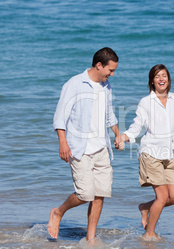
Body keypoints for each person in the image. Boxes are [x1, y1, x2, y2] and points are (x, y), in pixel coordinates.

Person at [47, 47, 123, 243]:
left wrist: (117, 134)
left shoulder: (106, 86)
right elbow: (60, 117)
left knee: (100, 195)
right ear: (99, 65)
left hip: (102, 149)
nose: (112, 74)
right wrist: (62, 143)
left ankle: (90, 239)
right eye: (110, 70)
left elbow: (109, 115)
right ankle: (58, 211)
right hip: (79, 149)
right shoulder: (74, 84)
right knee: (84, 194)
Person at [120, 64, 174, 241]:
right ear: (152, 81)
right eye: (157, 76)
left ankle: (145, 207)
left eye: (164, 76)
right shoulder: (146, 102)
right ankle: (149, 234)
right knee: (162, 196)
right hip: (150, 153)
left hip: (168, 154)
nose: (161, 79)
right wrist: (124, 137)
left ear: (168, 79)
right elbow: (137, 126)